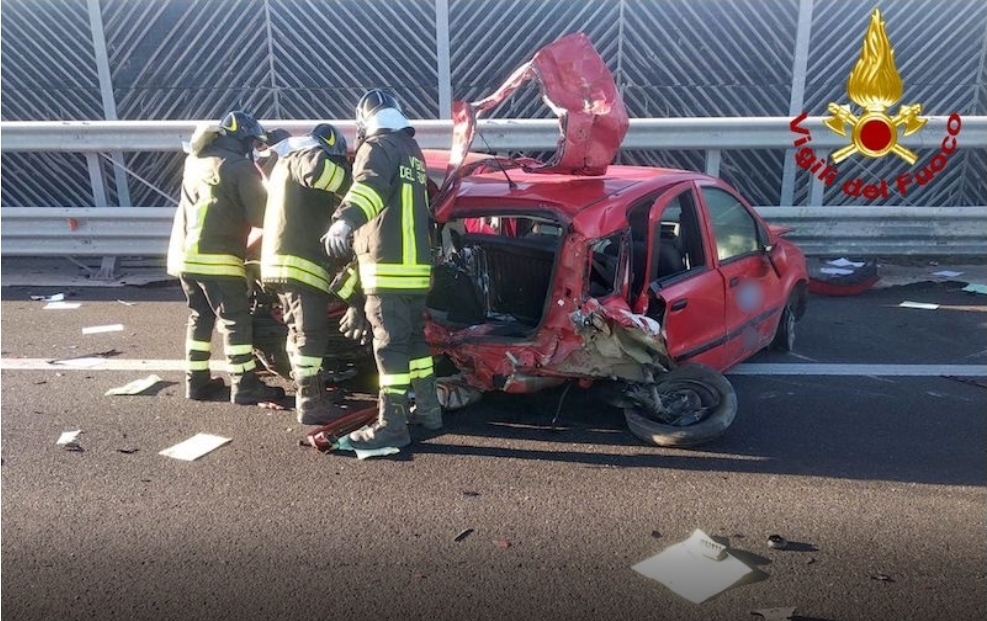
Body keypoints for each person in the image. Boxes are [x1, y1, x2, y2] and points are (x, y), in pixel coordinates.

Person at [322, 89, 442, 450]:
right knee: (415, 345)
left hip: (387, 270)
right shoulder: (412, 153)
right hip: (416, 272)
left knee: (389, 349)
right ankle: (429, 411)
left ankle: (392, 426)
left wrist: (344, 222)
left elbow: (369, 189)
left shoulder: (376, 149)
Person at [167, 110, 284, 405]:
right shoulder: (239, 167)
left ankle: (197, 382)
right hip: (217, 258)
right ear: (243, 140)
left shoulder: (196, 161)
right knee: (235, 321)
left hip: (186, 258)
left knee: (200, 316)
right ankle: (244, 385)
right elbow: (262, 216)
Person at [260, 123, 363, 425]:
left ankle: (313, 392)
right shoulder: (304, 155)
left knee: (302, 331)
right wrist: (356, 179)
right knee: (310, 333)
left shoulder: (283, 164)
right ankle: (310, 403)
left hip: (285, 262)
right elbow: (320, 172)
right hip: (298, 263)